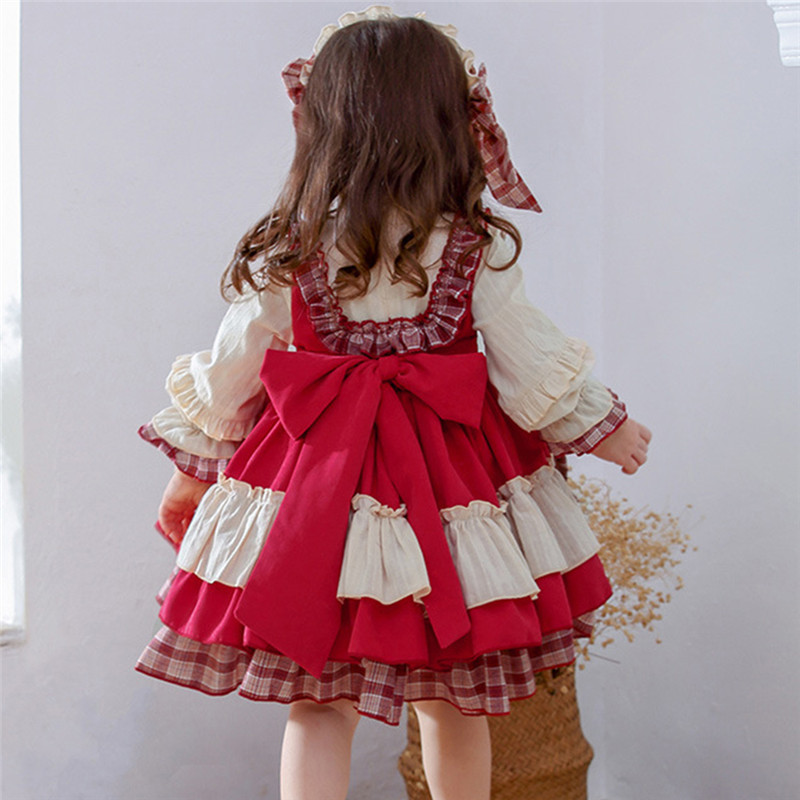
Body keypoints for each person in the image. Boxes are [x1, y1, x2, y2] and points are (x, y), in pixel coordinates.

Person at [135, 8, 651, 800]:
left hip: (315, 487)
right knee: (453, 698)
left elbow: (232, 373)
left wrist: (193, 469)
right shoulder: (473, 244)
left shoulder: (291, 247)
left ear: (325, 122)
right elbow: (527, 356)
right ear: (447, 122)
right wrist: (602, 426)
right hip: (451, 481)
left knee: (319, 700)